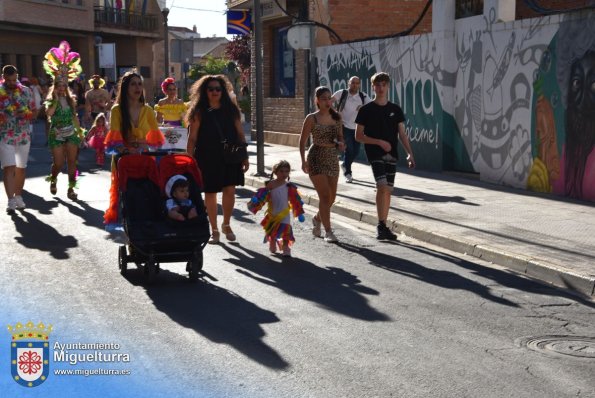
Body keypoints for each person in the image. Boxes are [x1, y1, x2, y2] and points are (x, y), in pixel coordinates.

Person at [186, 74, 249, 244]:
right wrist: (189, 161)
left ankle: (226, 224)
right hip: (206, 156)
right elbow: (192, 139)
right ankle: (214, 230)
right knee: (210, 192)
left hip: (230, 154)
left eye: (218, 89)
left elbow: (240, 133)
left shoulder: (231, 109)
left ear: (223, 91)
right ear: (204, 91)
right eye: (211, 89)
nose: (214, 92)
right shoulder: (198, 111)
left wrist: (245, 156)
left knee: (230, 190)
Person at [355, 72, 415, 241]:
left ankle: (384, 225)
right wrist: (379, 142)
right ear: (373, 87)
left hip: (392, 154)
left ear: (388, 87)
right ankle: (381, 226)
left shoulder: (395, 109)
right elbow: (358, 136)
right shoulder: (366, 110)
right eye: (377, 85)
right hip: (375, 153)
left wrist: (410, 153)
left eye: (383, 85)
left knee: (388, 190)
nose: (380, 88)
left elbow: (402, 134)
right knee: (382, 186)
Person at [103, 71, 165, 226]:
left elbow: (155, 142)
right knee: (126, 195)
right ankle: (130, 229)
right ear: (125, 88)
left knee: (147, 194)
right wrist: (127, 148)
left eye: (139, 84)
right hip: (124, 159)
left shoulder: (148, 110)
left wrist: (141, 146)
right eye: (133, 84)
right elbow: (115, 142)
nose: (137, 87)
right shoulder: (117, 110)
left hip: (144, 159)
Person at [299, 86, 345, 243]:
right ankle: (329, 231)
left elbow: (340, 137)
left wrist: (341, 144)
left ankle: (317, 218)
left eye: (329, 98)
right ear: (317, 100)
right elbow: (302, 140)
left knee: (331, 198)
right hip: (316, 156)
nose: (327, 101)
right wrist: (303, 160)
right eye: (324, 98)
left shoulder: (337, 117)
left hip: (332, 157)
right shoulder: (312, 118)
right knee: (324, 196)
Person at [43, 41, 86, 201]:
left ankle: (71, 189)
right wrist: (54, 99)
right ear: (54, 86)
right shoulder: (50, 100)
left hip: (70, 132)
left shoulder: (71, 100)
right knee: (59, 163)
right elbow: (49, 114)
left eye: (64, 85)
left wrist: (80, 133)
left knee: (73, 161)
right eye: (58, 85)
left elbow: (74, 116)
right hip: (56, 133)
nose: (61, 88)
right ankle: (53, 178)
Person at [247, 160, 305, 257]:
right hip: (273, 212)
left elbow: (296, 200)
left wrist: (299, 213)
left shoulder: (289, 186)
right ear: (275, 172)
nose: (284, 174)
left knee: (286, 230)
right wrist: (256, 200)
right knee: (273, 229)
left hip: (284, 212)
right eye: (281, 171)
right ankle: (272, 242)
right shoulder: (271, 184)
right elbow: (263, 195)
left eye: (286, 171)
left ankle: (286, 247)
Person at [0, 65, 36, 212]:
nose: (11, 82)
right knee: (9, 167)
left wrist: (27, 115)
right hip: (5, 134)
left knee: (21, 168)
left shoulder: (26, 91)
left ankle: (19, 196)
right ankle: (10, 200)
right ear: (3, 77)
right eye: (8, 80)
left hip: (23, 134)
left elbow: (34, 110)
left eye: (14, 79)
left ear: (17, 76)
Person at [332, 76, 371, 183]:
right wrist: (334, 112)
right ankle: (347, 173)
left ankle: (345, 164)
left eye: (357, 83)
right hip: (344, 126)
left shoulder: (363, 96)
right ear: (348, 83)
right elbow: (330, 101)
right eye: (353, 82)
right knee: (349, 150)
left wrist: (363, 108)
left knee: (356, 151)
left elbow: (372, 107)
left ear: (359, 85)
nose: (355, 85)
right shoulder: (342, 93)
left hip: (358, 128)